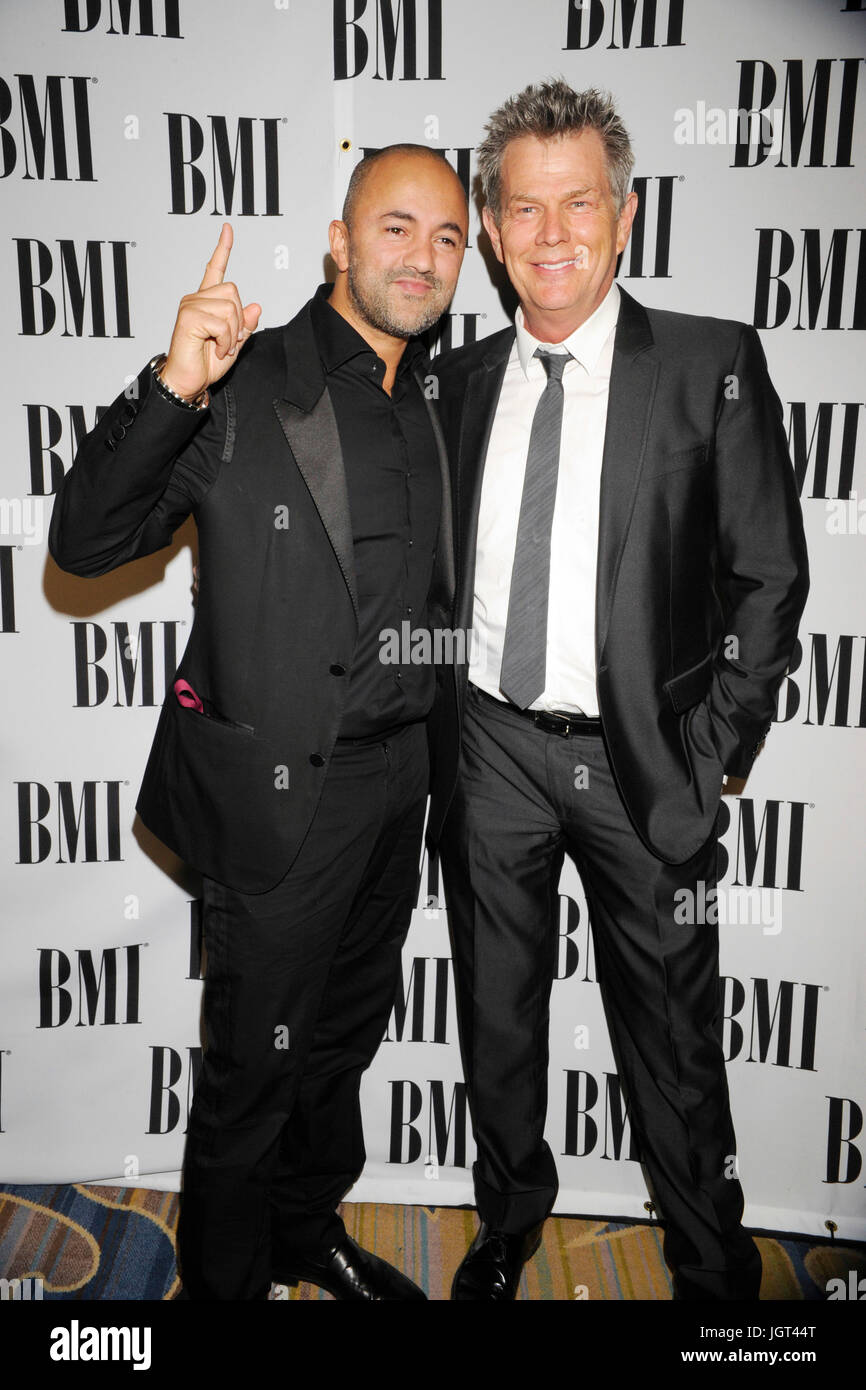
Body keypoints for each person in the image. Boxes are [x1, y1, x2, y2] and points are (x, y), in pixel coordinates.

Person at [49, 143, 468, 1301]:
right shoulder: (241, 379)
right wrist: (172, 382)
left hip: (397, 789)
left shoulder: (440, 395)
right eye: (394, 228)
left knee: (337, 1045)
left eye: (444, 237)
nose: (420, 257)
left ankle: (300, 1232)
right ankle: (225, 1285)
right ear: (338, 241)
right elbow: (84, 541)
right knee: (250, 1072)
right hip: (280, 799)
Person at [429, 82, 809, 1301]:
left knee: (675, 1043)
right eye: (524, 209)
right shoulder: (457, 382)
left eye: (577, 203)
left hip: (643, 761)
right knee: (495, 1018)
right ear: (490, 227)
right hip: (486, 745)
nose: (550, 235)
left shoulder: (709, 362)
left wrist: (714, 753)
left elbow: (766, 578)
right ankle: (505, 1226)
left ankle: (711, 1269)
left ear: (625, 214)